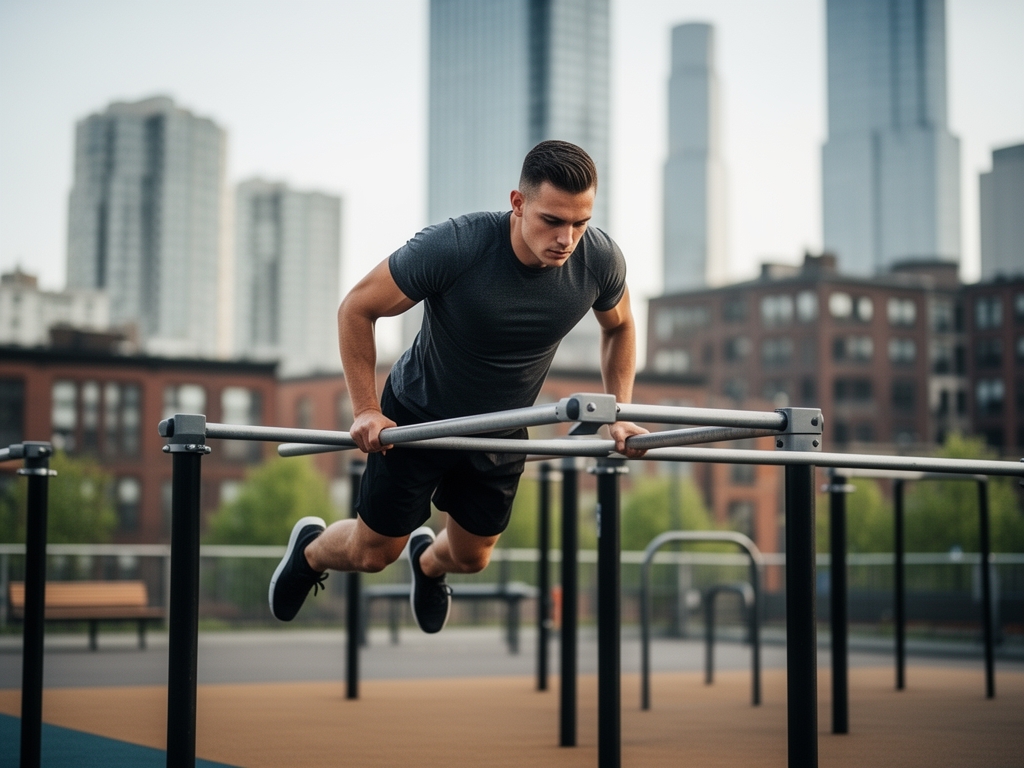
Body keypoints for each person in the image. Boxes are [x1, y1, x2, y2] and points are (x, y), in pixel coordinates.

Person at [269, 139, 648, 631]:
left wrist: (619, 412)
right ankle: (312, 552)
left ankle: (428, 564)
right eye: (552, 220)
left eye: (580, 222)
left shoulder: (599, 261)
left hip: (501, 427)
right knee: (374, 552)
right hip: (416, 416)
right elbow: (357, 308)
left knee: (471, 559)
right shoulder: (457, 245)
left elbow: (619, 326)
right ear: (518, 203)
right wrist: (365, 408)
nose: (566, 238)